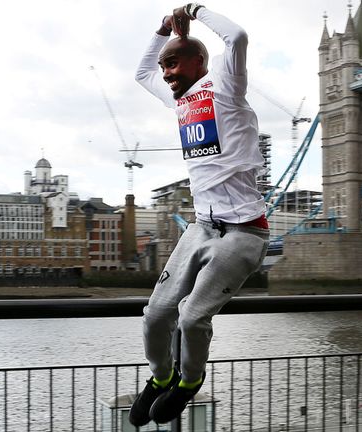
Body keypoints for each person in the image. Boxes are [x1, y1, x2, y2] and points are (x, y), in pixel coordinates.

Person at [130, 3, 269, 426]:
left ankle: (189, 383)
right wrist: (161, 31)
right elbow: (140, 75)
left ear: (200, 62)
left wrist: (195, 10)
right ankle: (161, 377)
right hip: (201, 227)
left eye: (174, 63)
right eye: (164, 66)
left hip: (244, 231)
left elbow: (238, 37)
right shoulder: (180, 101)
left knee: (192, 316)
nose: (167, 72)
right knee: (155, 315)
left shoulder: (226, 85)